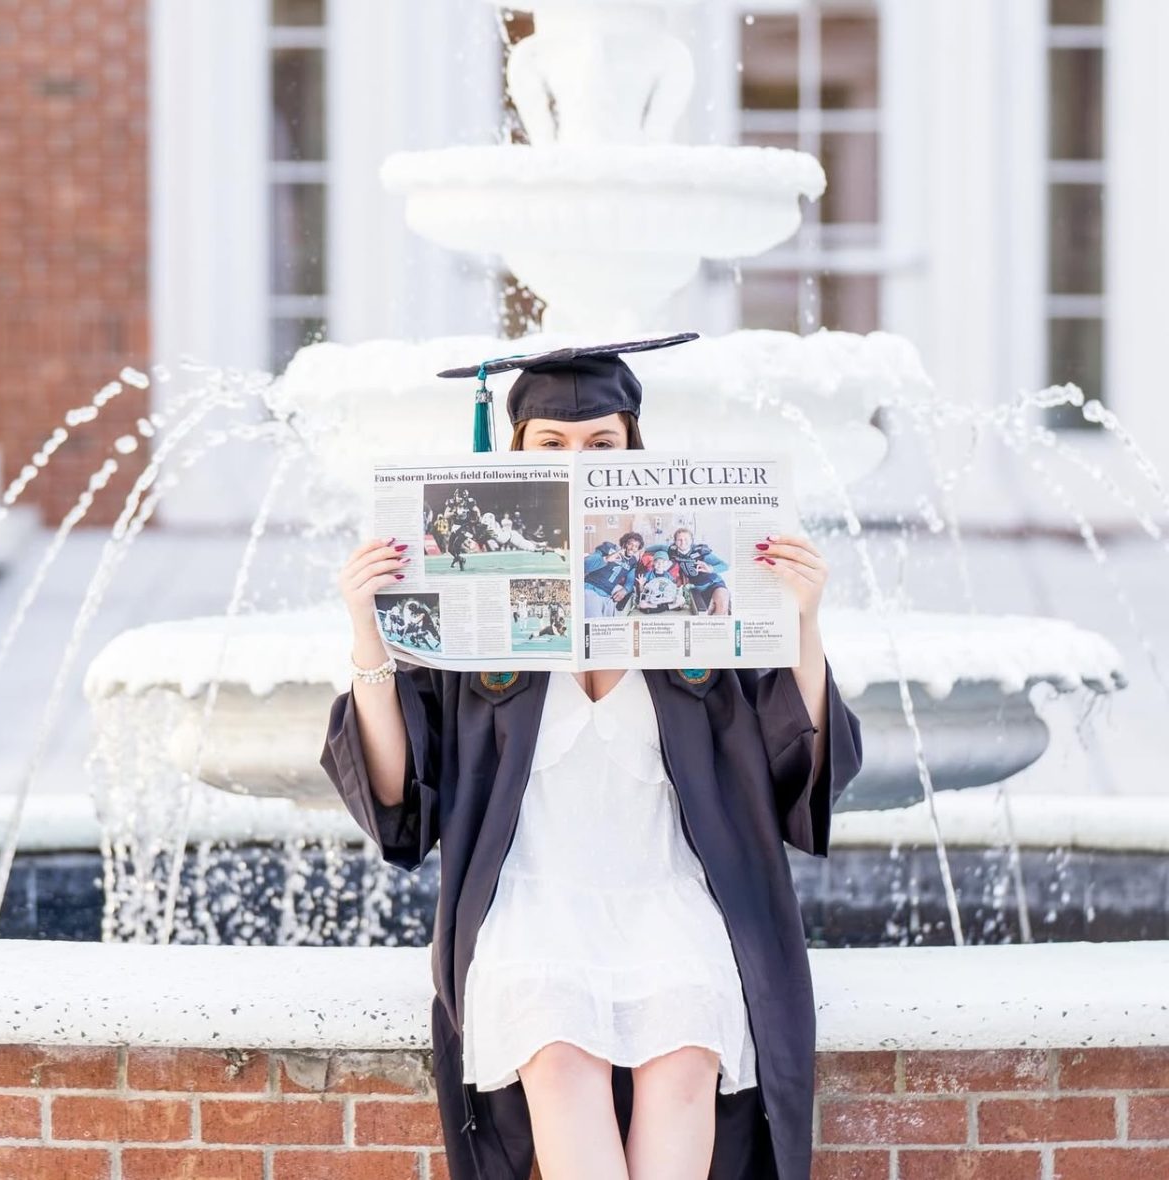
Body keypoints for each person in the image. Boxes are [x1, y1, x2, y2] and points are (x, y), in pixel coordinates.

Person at [320, 333, 863, 1180]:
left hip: (675, 903)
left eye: (602, 445)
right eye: (553, 446)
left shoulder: (691, 589)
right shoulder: (474, 611)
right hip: (531, 909)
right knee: (560, 1058)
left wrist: (804, 622)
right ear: (517, 457)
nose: (578, 463)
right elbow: (399, 798)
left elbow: (797, 775)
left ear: (634, 453)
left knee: (685, 1071)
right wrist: (366, 633)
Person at [668, 528, 730, 615]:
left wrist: (711, 569)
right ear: (675, 541)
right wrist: (642, 550)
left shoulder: (700, 553)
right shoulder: (672, 551)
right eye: (679, 540)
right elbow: (658, 546)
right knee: (704, 613)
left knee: (722, 607)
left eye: (686, 539)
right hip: (696, 588)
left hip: (713, 584)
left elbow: (725, 566)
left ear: (691, 540)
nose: (683, 542)